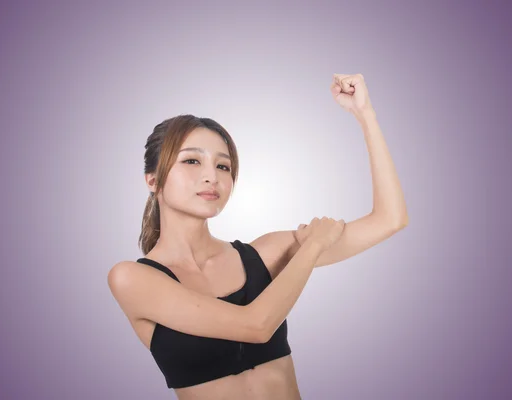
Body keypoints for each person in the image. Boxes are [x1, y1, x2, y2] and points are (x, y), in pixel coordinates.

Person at [109, 74, 408, 399]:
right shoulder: (132, 278)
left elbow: (390, 219)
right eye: (192, 161)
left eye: (223, 167)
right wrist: (314, 246)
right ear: (152, 180)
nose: (211, 176)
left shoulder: (265, 254)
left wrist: (366, 115)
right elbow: (256, 325)